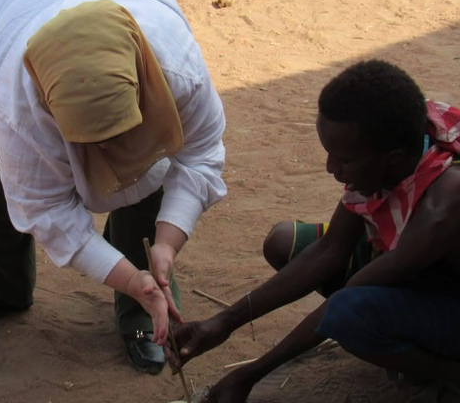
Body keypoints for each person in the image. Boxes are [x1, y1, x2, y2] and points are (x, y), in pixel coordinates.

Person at [0, 0, 227, 374]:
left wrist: (166, 242)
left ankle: (146, 306)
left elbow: (199, 156)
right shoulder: (18, 105)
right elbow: (45, 208)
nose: (109, 158)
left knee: (151, 179)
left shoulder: (178, 71)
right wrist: (127, 278)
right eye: (91, 142)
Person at [168, 60, 460, 400]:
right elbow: (331, 250)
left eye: (342, 159)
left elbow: (349, 295)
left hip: (446, 291)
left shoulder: (446, 202)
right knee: (284, 243)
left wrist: (252, 373)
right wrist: (223, 322)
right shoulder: (401, 137)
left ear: (392, 158)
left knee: (350, 314)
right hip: (409, 267)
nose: (329, 167)